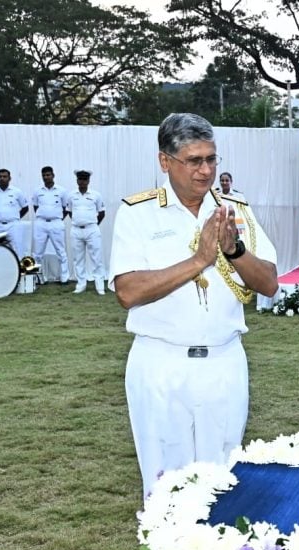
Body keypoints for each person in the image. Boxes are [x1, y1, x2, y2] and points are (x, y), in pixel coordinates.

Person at [108, 113, 279, 497]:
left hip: (224, 361)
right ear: (165, 161)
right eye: (194, 161)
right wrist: (199, 260)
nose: (206, 171)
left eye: (212, 159)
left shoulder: (235, 210)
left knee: (223, 477)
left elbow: (268, 283)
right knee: (165, 482)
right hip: (160, 364)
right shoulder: (138, 213)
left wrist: (234, 250)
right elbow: (128, 292)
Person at [63, 170, 107, 294]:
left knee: (96, 258)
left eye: (84, 179)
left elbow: (102, 213)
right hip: (76, 230)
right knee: (78, 258)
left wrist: (91, 223)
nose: (82, 182)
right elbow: (70, 211)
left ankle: (99, 286)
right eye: (80, 179)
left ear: (88, 181)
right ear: (77, 180)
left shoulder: (96, 195)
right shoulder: (72, 195)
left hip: (92, 230)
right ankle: (81, 284)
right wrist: (79, 222)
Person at [31, 166, 70, 284]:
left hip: (56, 223)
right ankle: (38, 278)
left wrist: (56, 218)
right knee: (37, 252)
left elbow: (66, 208)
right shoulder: (38, 191)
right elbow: (36, 207)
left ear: (53, 175)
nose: (46, 177)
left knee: (61, 251)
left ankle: (64, 277)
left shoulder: (61, 191)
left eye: (48, 175)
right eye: (44, 175)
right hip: (41, 223)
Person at [0, 169, 30, 259]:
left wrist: (15, 217)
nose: (2, 178)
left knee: (17, 249)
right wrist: (0, 216)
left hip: (13, 225)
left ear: (9, 178)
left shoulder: (17, 192)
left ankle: (19, 272)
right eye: (0, 177)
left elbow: (25, 208)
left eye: (5, 176)